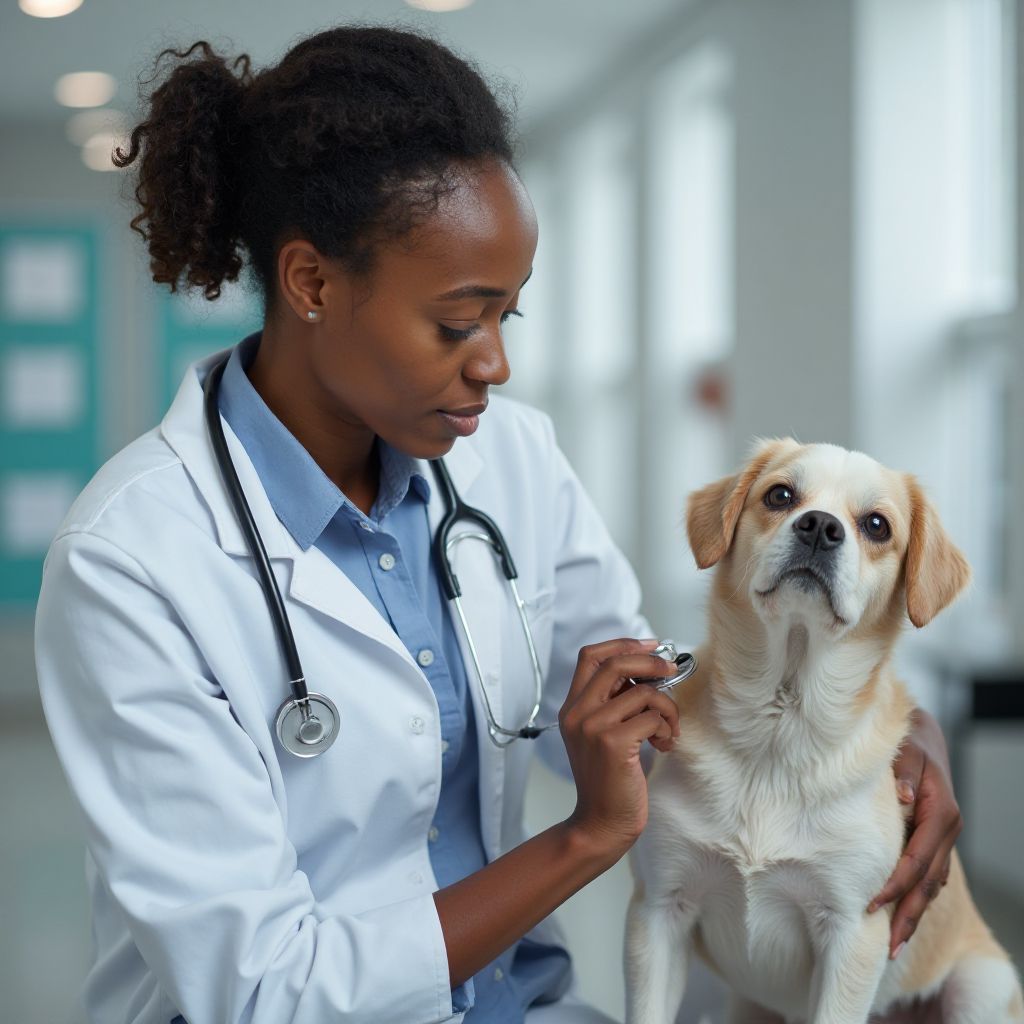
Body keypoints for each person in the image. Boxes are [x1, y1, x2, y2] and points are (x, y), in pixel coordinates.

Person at [33, 25, 961, 1024]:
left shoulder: (507, 460)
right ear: (310, 283)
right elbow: (264, 988)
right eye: (455, 322)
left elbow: (651, 716)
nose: (494, 364)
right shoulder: (130, 560)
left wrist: (891, 746)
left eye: (505, 318)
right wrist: (582, 839)